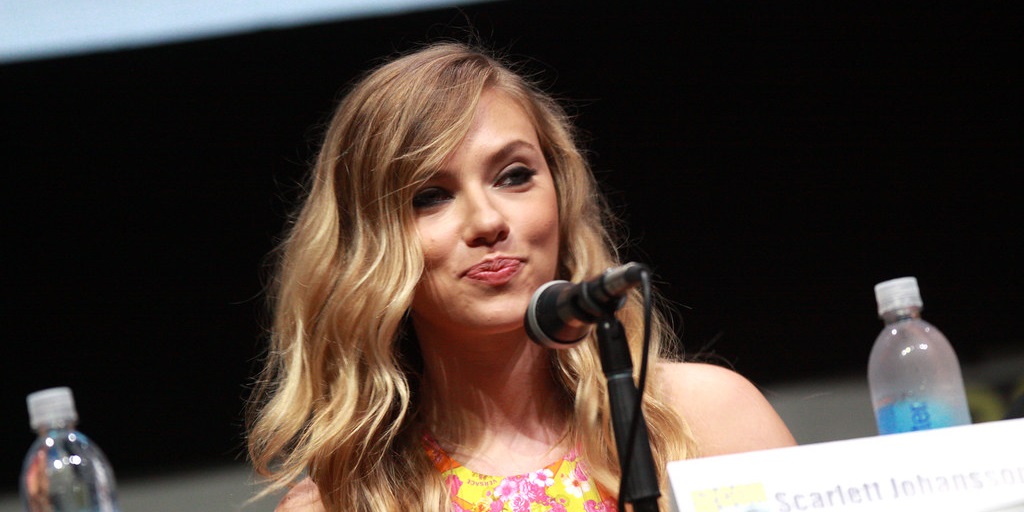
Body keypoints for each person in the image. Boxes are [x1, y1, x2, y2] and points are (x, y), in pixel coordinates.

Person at [246, 41, 796, 512]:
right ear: (366, 246)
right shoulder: (346, 500)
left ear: (560, 193)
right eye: (430, 196)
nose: (487, 221)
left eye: (513, 176)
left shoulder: (707, 420)